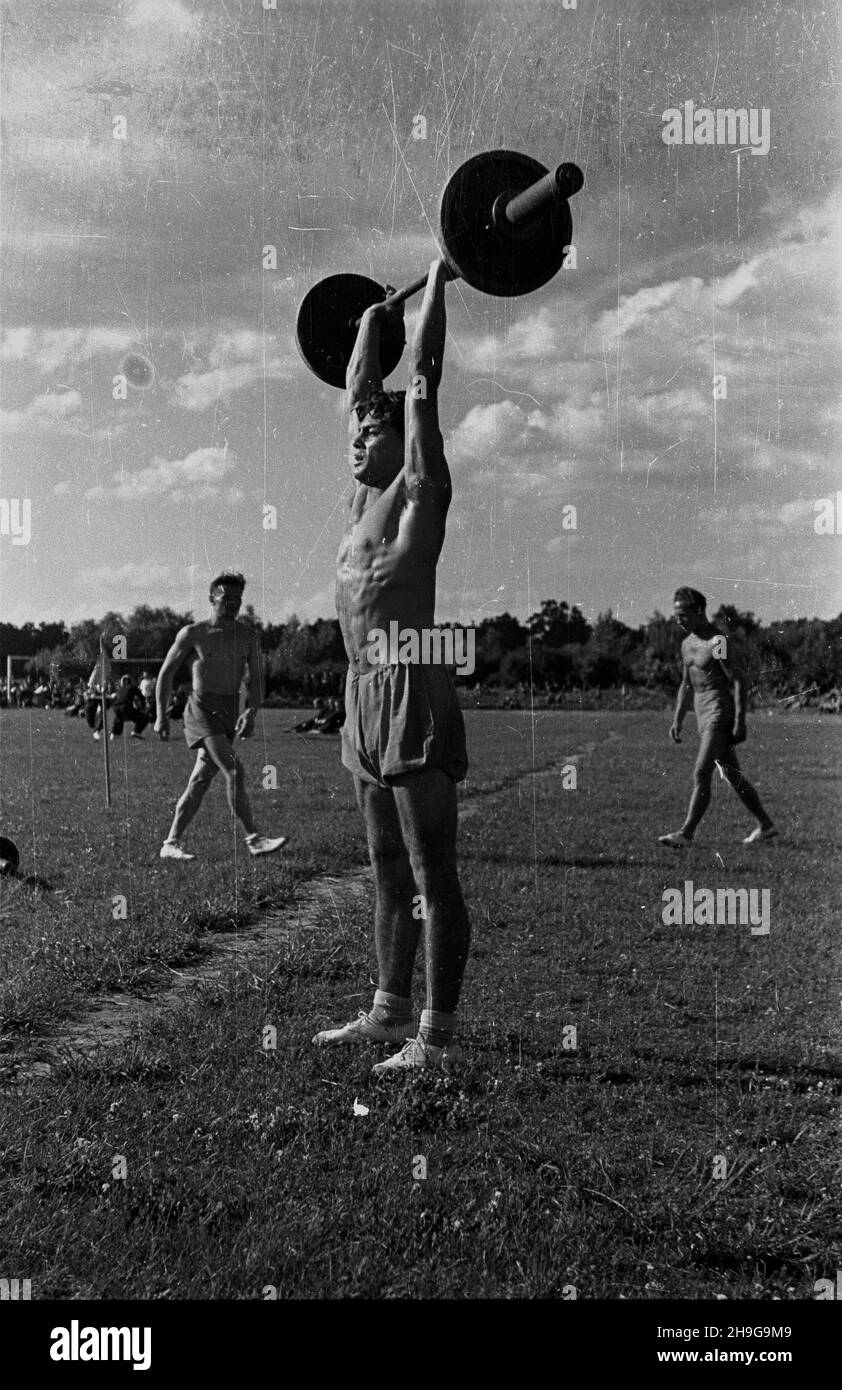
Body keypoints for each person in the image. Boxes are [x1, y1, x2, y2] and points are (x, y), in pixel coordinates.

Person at [312, 258, 470, 1074]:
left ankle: (435, 1040)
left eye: (371, 429)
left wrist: (439, 279)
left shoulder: (418, 485)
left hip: (410, 676)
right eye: (352, 431)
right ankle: (387, 1012)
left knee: (427, 868)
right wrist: (373, 319)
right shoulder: (353, 506)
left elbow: (425, 381)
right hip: (359, 692)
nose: (357, 435)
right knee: (381, 864)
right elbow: (353, 381)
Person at [154, 571, 287, 860]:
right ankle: (255, 838)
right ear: (212, 598)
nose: (233, 604)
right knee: (234, 770)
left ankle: (171, 843)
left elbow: (257, 680)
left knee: (199, 781)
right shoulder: (193, 633)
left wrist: (251, 712)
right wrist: (160, 716)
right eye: (226, 598)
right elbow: (166, 674)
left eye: (238, 599)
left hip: (230, 710)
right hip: (201, 710)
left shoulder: (248, 636)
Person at [659, 587, 778, 849]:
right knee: (732, 774)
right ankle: (766, 825)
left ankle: (686, 833)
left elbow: (737, 681)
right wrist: (678, 719)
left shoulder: (718, 642)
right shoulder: (686, 644)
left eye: (683, 614)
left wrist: (740, 721)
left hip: (719, 714)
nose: (678, 619)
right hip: (703, 716)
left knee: (702, 771)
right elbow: (686, 685)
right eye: (676, 615)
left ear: (699, 611)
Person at [110, 674, 148, 740]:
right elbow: (141, 698)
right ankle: (136, 732)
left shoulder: (120, 689)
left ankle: (114, 735)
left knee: (119, 718)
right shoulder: (133, 687)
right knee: (143, 718)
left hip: (115, 707)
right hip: (125, 707)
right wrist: (143, 707)